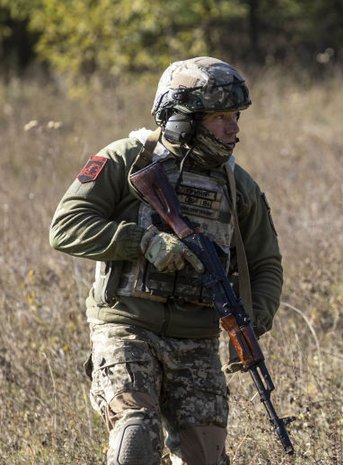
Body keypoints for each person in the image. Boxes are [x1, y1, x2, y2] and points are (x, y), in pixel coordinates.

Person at [49, 56, 283, 465]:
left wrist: (250, 319)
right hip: (127, 326)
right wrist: (141, 241)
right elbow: (66, 227)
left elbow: (266, 264)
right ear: (181, 118)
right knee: (136, 437)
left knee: (206, 458)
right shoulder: (126, 160)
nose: (234, 128)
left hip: (196, 338)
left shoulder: (237, 185)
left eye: (236, 116)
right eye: (220, 117)